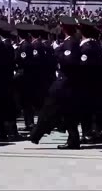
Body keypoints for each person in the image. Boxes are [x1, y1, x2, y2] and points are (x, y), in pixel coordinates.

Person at [30, 16, 81, 149]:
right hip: (66, 82)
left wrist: (58, 52)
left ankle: (36, 134)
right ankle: (73, 140)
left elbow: (69, 61)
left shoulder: (70, 43)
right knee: (67, 113)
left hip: (65, 82)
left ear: (63, 27)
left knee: (49, 108)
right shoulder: (69, 41)